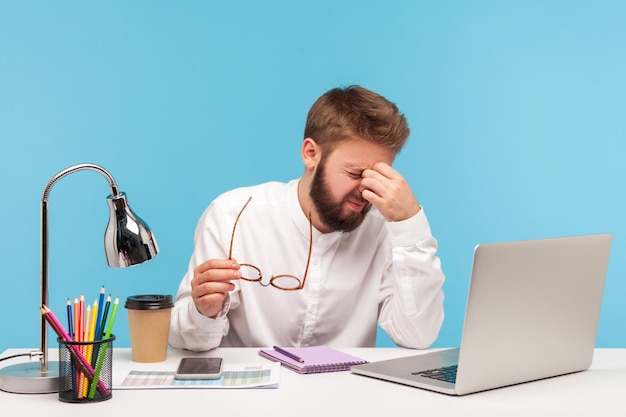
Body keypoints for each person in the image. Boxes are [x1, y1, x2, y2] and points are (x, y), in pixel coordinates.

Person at [169, 85, 445, 351]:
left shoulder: (386, 231)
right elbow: (183, 339)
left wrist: (410, 223)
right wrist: (203, 313)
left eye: (379, 177)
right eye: (355, 174)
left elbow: (417, 336)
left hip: (345, 394)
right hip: (248, 394)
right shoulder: (232, 215)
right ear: (311, 153)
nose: (365, 191)